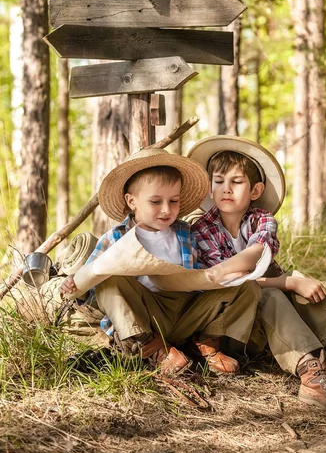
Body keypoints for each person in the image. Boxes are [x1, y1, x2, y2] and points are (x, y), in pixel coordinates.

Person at [189, 135, 326, 413]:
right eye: (219, 181)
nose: (226, 189)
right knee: (274, 290)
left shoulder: (263, 219)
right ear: (210, 188)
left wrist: (294, 281)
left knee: (300, 285)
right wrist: (287, 281)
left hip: (260, 315)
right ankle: (311, 375)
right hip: (232, 326)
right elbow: (233, 283)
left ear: (256, 190)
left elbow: (257, 256)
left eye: (237, 182)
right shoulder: (202, 229)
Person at [60, 147, 261, 376]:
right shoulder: (116, 238)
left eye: (173, 201)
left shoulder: (186, 233)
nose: (166, 210)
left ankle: (206, 344)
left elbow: (209, 271)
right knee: (108, 278)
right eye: (155, 202)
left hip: (188, 312)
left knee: (246, 286)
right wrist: (75, 284)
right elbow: (93, 285)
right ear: (132, 201)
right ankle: (151, 348)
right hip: (147, 316)